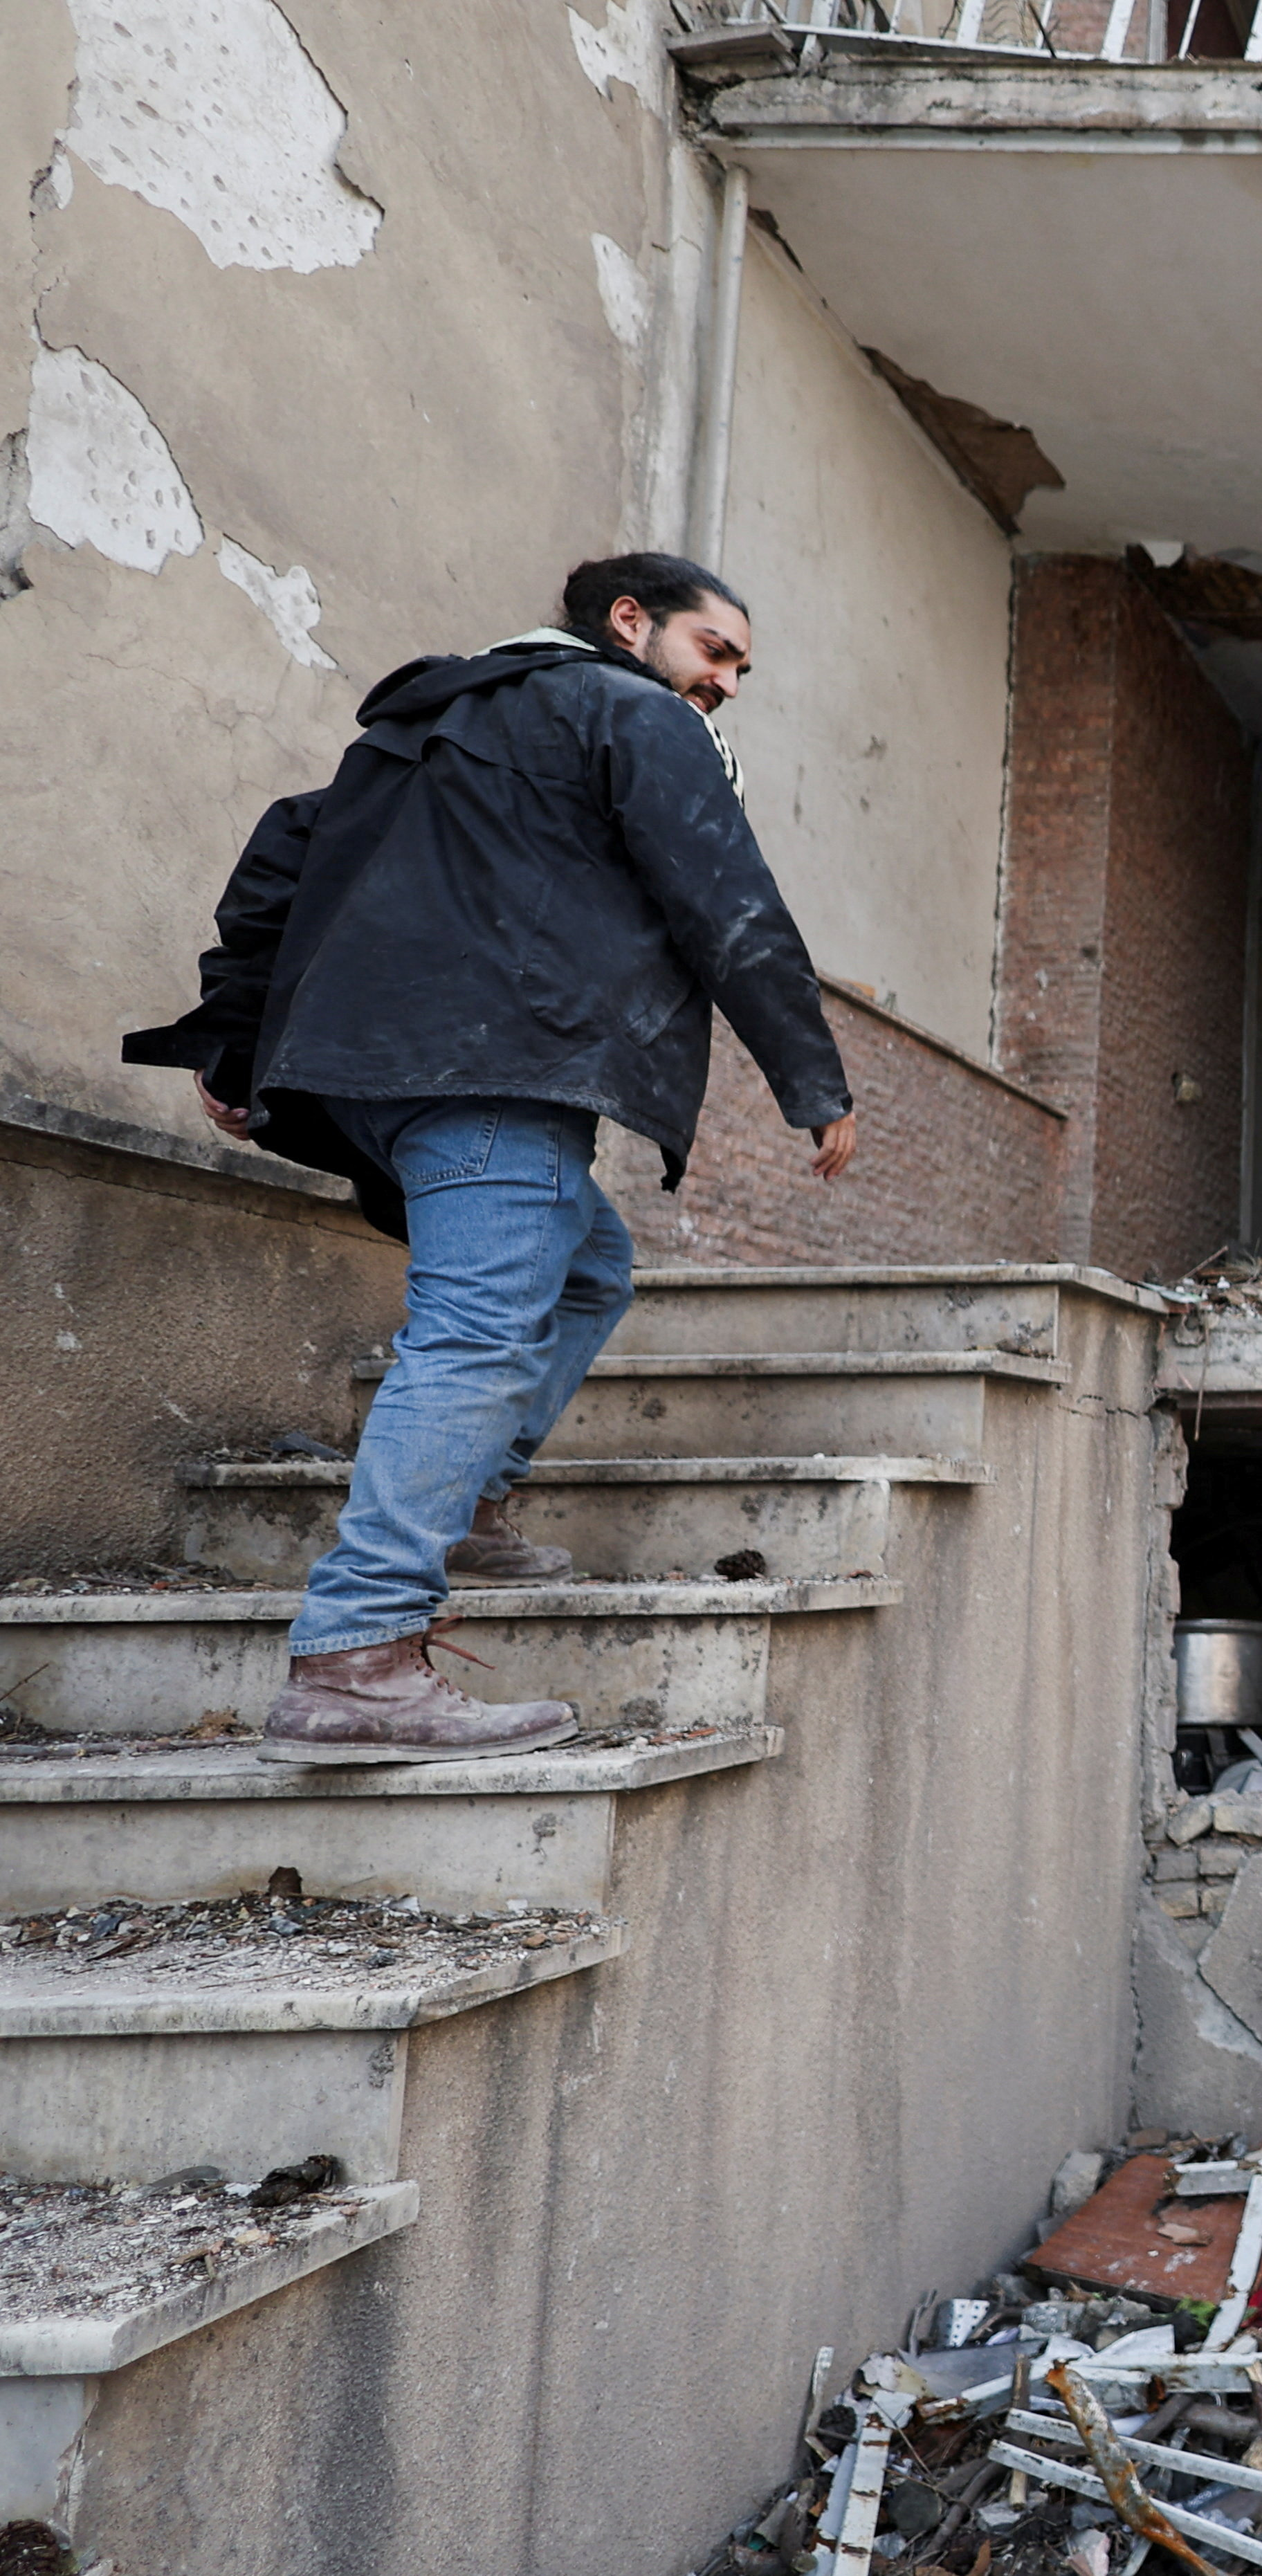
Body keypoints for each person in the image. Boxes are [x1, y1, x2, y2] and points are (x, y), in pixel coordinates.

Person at [124, 553, 859, 1766]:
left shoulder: (432, 717)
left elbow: (283, 855)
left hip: (377, 1073)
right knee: (472, 1335)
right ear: (631, 622)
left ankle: (464, 1503)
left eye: (737, 665)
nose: (728, 680)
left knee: (583, 1267)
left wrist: (235, 1039)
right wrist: (812, 1083)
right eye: (716, 650)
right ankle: (357, 1657)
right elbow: (727, 901)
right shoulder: (633, 711)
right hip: (498, 1070)